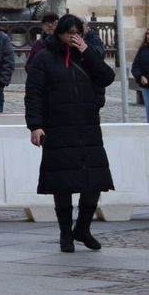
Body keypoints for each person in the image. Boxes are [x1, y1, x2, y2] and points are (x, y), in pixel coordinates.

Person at [25, 13, 115, 252]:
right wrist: (35, 125)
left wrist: (87, 51)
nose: (73, 37)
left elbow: (107, 77)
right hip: (58, 126)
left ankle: (83, 228)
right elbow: (33, 93)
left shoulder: (88, 56)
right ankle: (66, 233)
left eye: (77, 33)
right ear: (59, 33)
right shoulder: (44, 58)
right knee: (62, 183)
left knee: (94, 181)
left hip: (87, 126)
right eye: (69, 33)